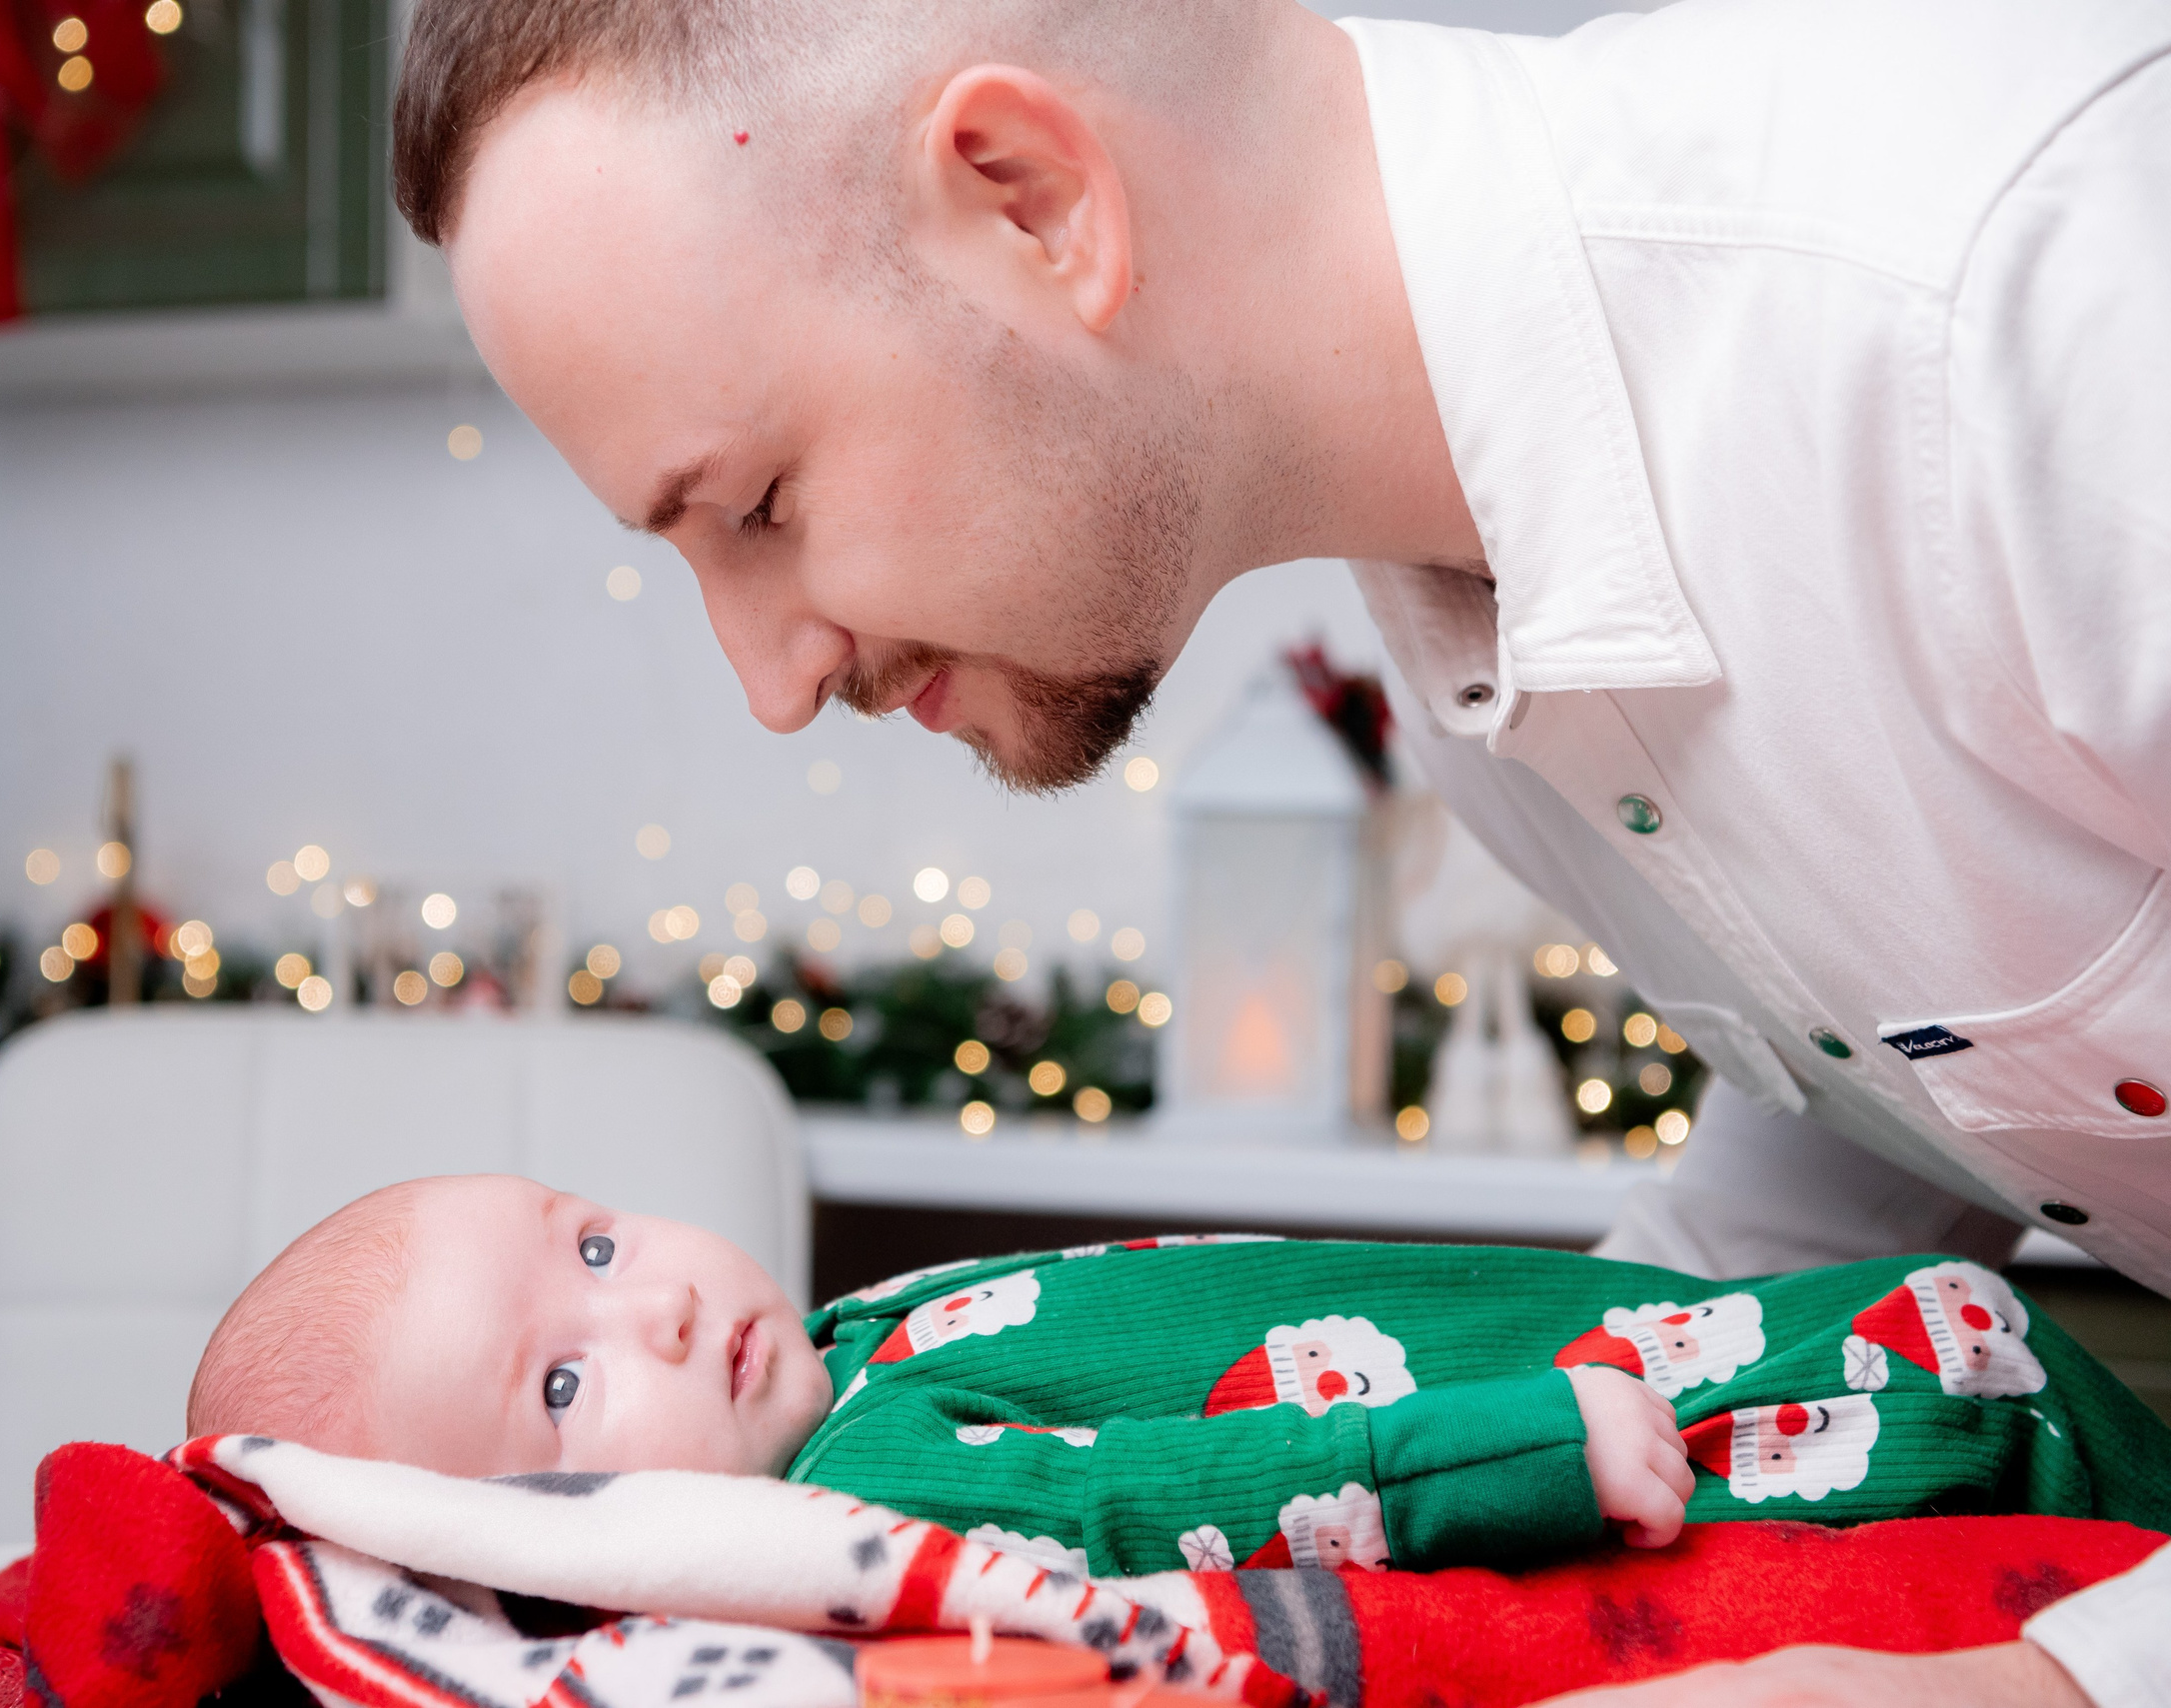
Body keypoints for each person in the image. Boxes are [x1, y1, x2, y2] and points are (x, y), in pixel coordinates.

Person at [386, 0, 2171, 1698]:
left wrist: (2046, 1683)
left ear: (1033, 198)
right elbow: (1866, 1100)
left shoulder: (2025, 297)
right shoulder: (1481, 665)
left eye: (757, 507)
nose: (770, 680)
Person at [184, 1175, 2171, 1588]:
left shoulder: (851, 1351)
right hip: (1698, 1424)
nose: (650, 1312)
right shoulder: (866, 1490)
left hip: (1648, 1324)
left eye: (597, 1247)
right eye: (555, 1389)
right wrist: (1521, 1446)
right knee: (2002, 1409)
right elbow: (1189, 1508)